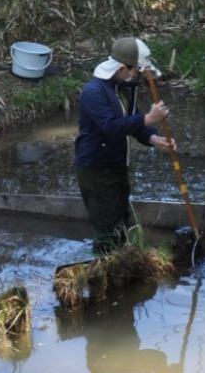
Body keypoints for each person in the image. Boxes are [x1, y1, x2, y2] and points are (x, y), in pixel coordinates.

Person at [74, 37, 175, 254]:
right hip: (96, 169)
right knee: (107, 226)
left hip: (117, 166)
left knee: (122, 216)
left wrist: (153, 139)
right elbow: (112, 127)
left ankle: (122, 258)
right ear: (122, 68)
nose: (138, 76)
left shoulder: (124, 88)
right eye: (137, 71)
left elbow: (133, 121)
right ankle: (103, 266)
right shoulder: (94, 93)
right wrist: (148, 119)